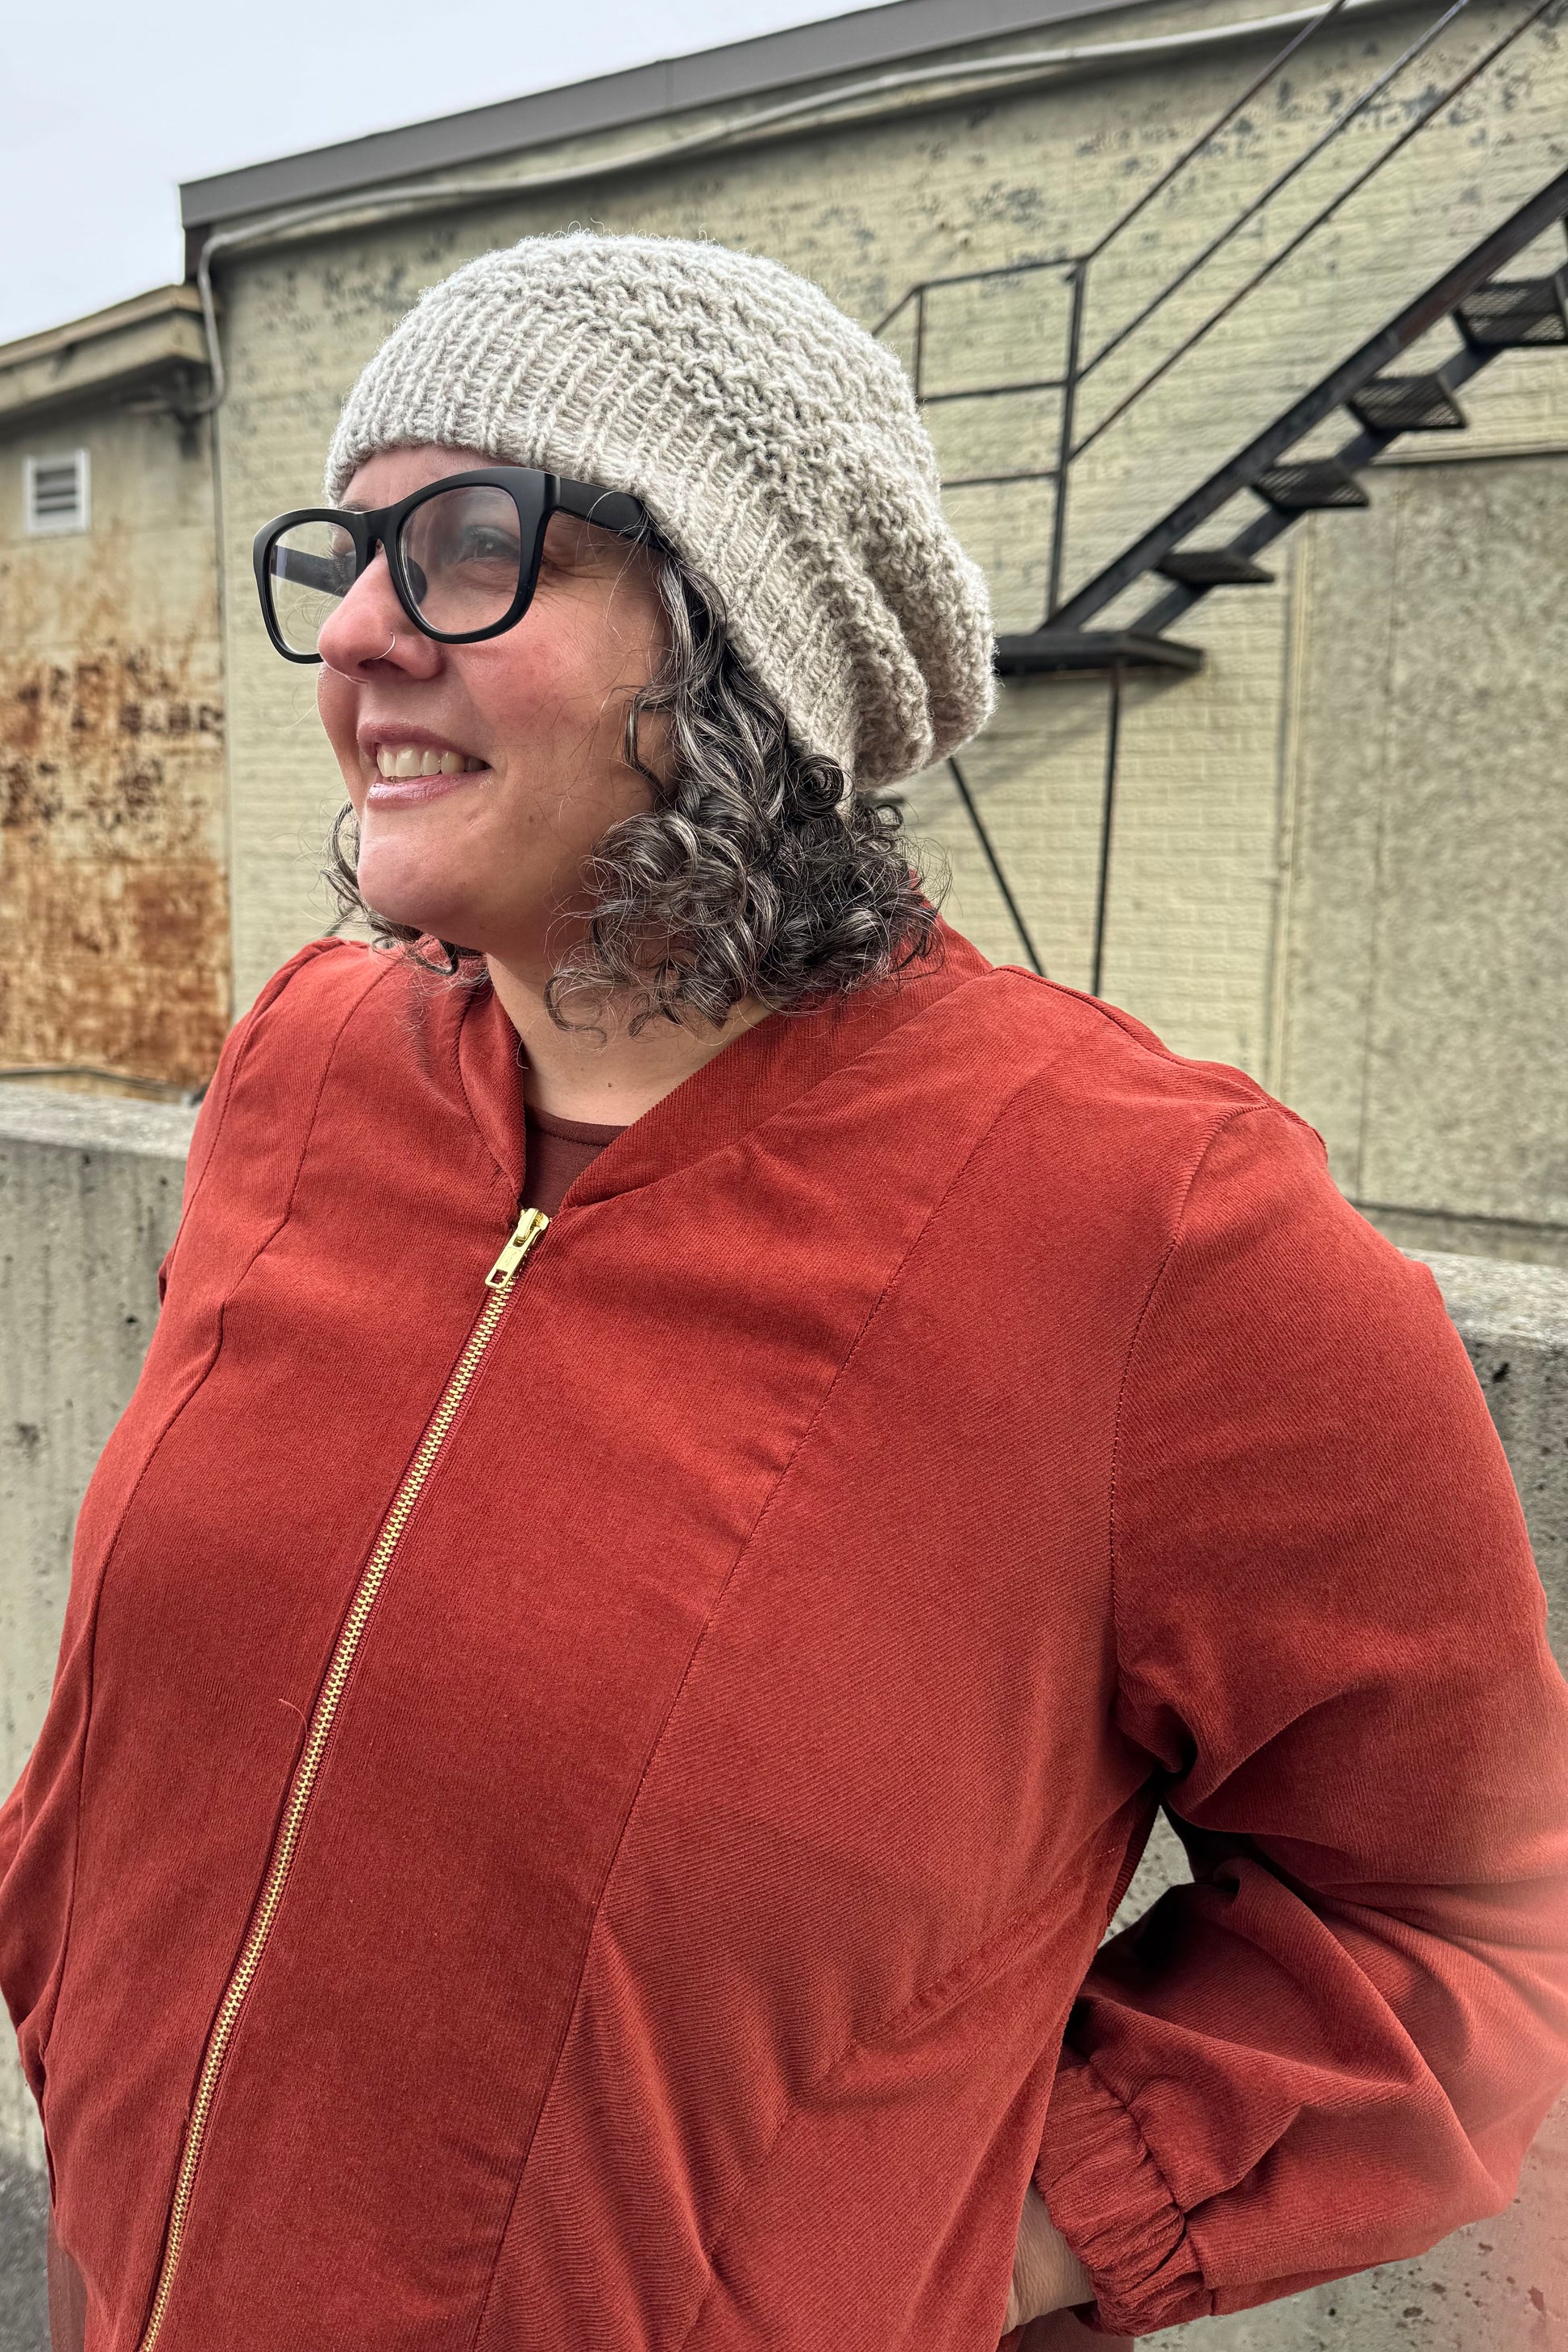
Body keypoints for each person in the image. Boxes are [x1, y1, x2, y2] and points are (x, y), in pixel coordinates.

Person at [2, 230, 1566, 2352]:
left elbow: (1470, 1929)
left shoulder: (1160, 1234)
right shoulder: (296, 1072)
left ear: (747, 635)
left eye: (472, 546)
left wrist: (948, 2250)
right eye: (346, 552)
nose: (358, 632)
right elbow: (168, 1719)